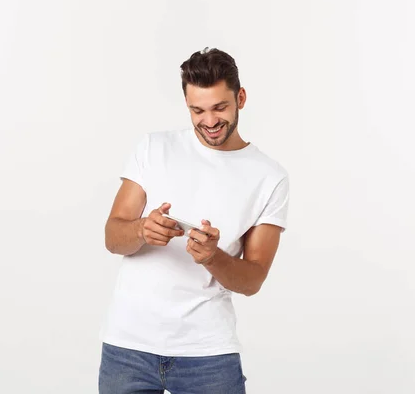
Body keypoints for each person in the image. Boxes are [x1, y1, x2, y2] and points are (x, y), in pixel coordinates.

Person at [98, 47, 290, 394]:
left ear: (240, 98)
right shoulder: (153, 148)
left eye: (220, 107)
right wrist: (142, 229)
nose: (210, 121)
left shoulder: (269, 177)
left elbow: (253, 280)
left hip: (208, 353)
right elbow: (113, 236)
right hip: (128, 346)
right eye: (197, 110)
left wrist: (212, 257)